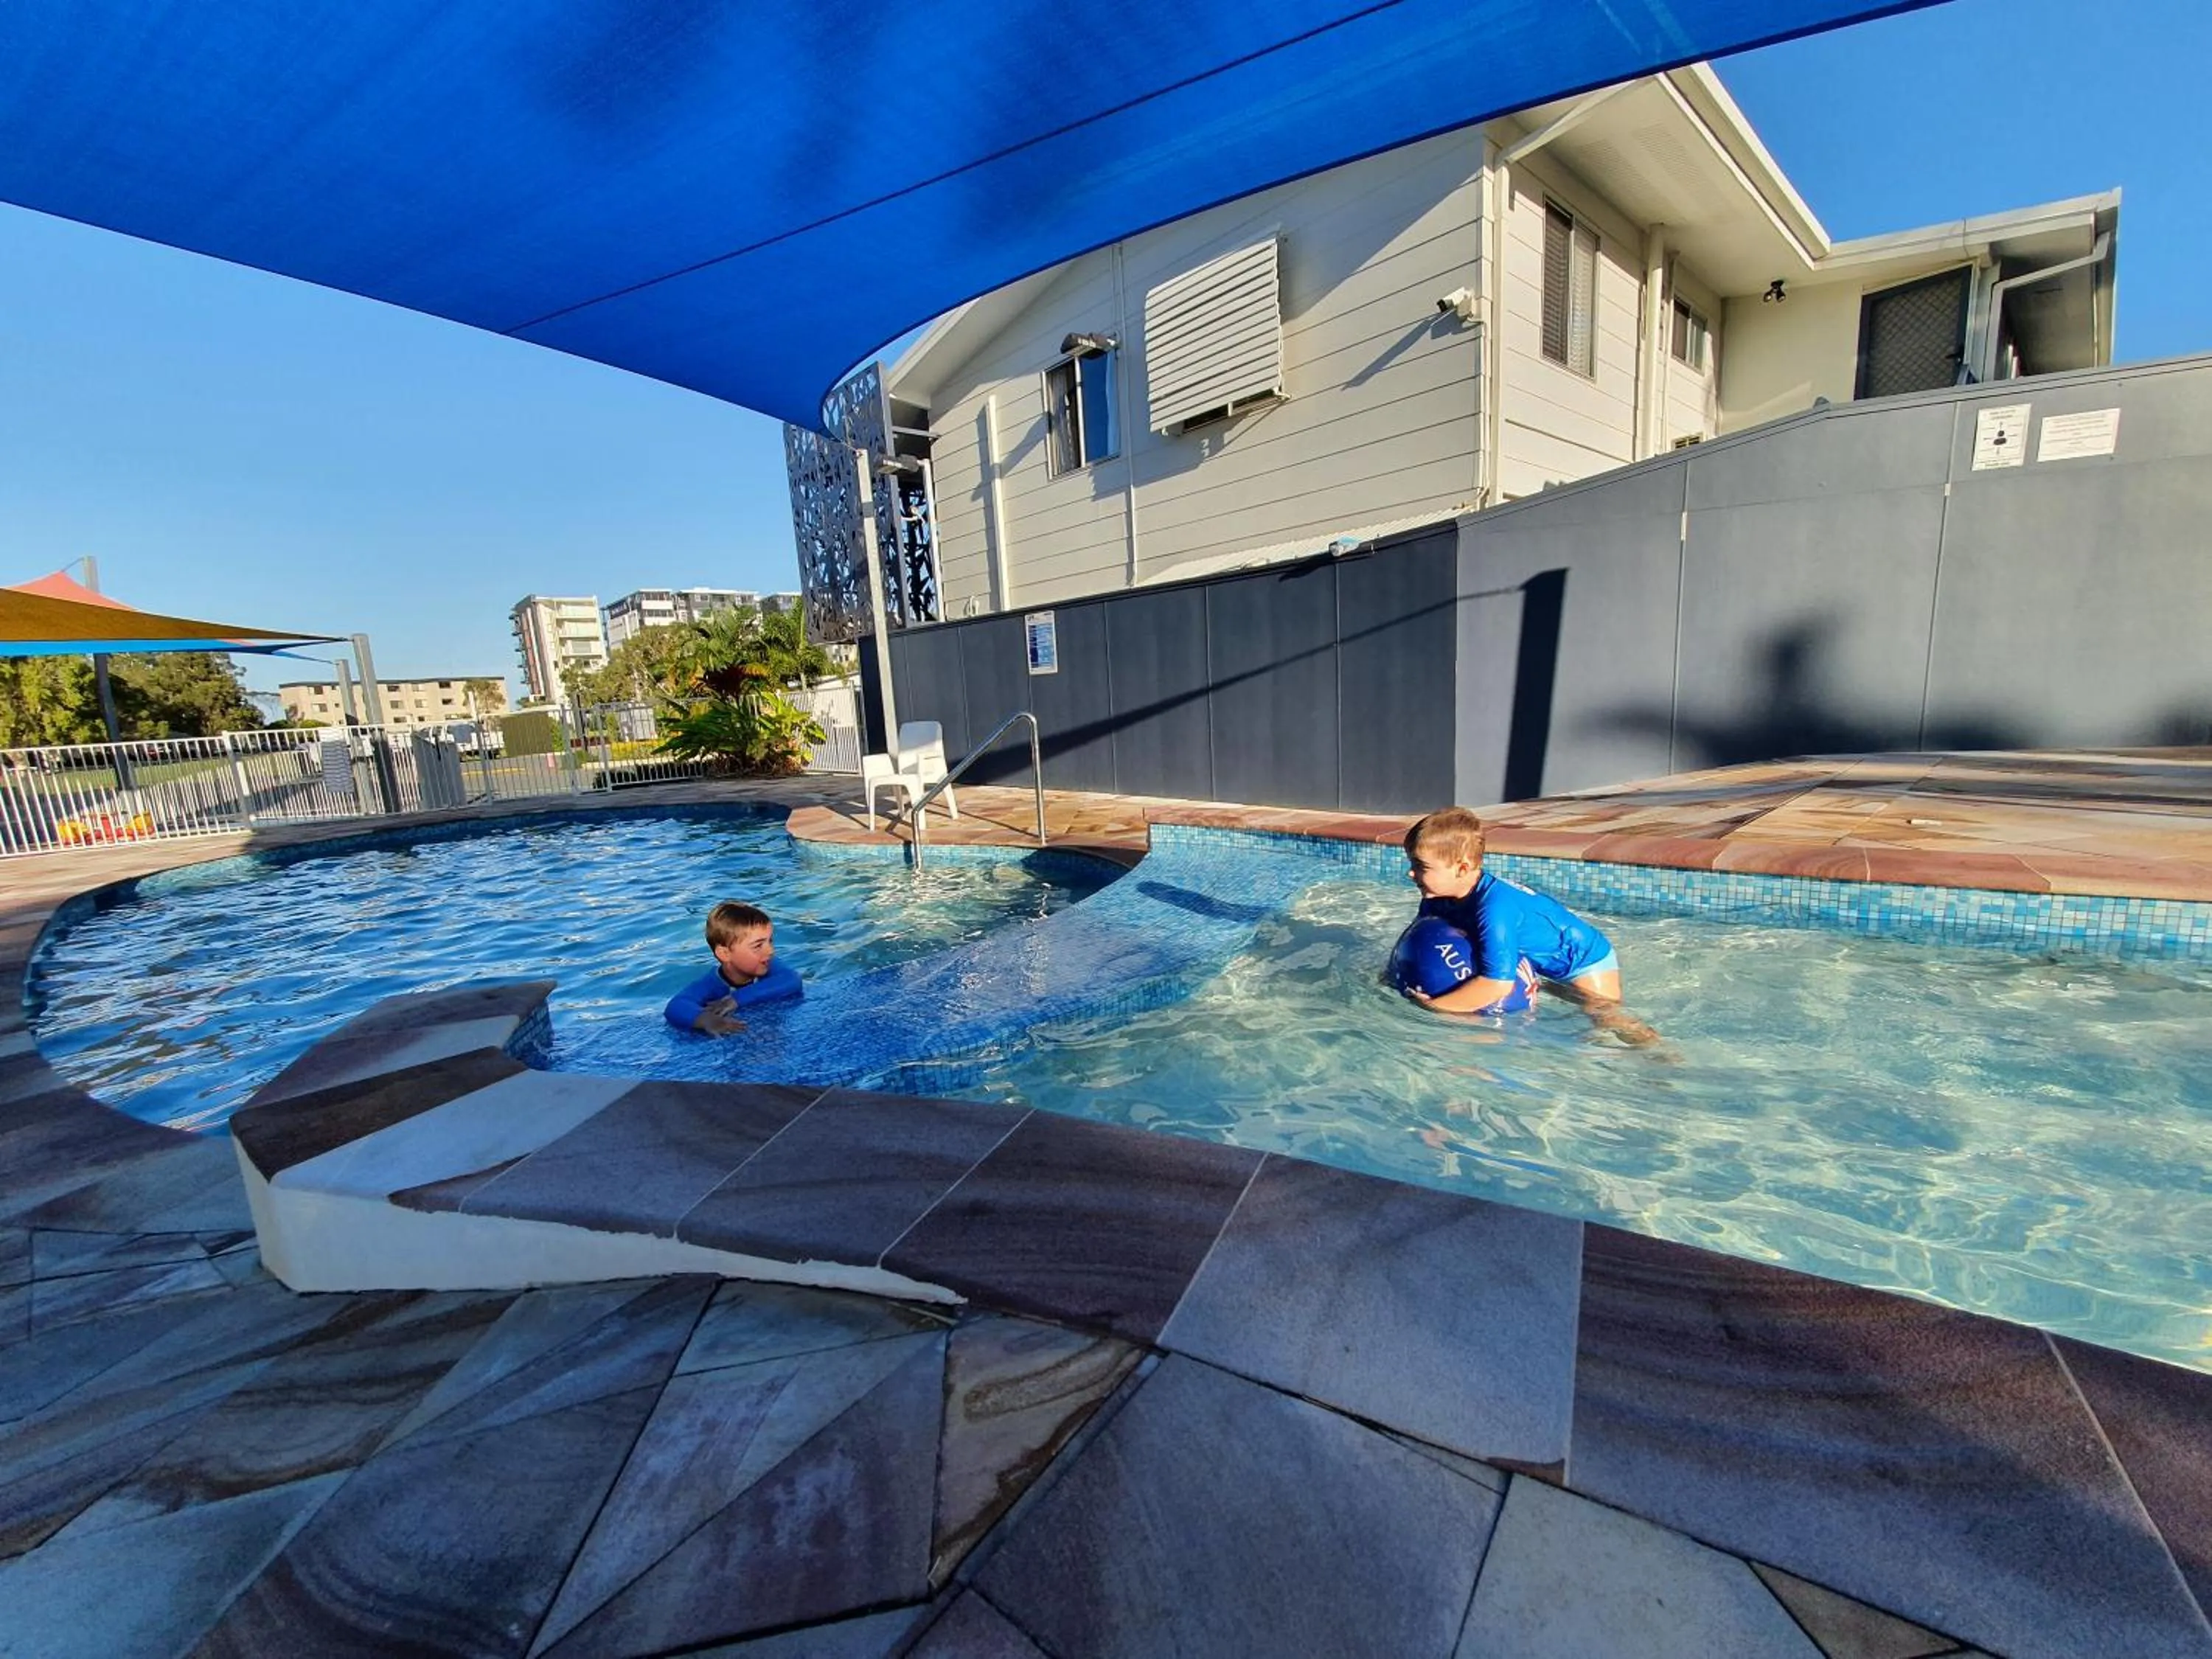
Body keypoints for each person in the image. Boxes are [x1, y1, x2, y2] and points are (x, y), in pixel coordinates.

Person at [1401, 807, 1658, 1043]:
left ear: (1462, 868)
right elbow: (1418, 939)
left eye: (1421, 866)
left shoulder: (1495, 910)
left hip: (1582, 959)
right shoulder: (1437, 900)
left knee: (1605, 1018)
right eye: (1411, 863)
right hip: (1538, 961)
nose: (1410, 873)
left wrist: (1434, 1006)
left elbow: (1496, 985)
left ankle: (1659, 1055)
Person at [663, 901, 803, 1035]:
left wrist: (737, 999)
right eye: (758, 946)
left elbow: (792, 980)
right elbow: (676, 1006)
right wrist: (706, 1020)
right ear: (725, 954)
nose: (771, 951)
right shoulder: (712, 985)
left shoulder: (769, 964)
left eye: (770, 941)